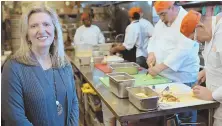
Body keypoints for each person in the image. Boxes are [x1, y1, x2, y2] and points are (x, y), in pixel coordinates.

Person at [1, 5, 79, 126]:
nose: (41, 30)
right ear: (26, 34)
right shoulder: (13, 68)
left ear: (55, 30)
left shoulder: (64, 64)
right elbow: (14, 117)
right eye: (34, 26)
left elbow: (74, 101)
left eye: (46, 24)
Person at [146, 1, 199, 124]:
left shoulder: (187, 19)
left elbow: (183, 50)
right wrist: (151, 53)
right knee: (168, 117)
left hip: (183, 78)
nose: (161, 18)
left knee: (185, 117)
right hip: (164, 78)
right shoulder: (161, 22)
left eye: (163, 14)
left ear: (172, 8)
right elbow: (153, 40)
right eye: (159, 15)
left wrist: (159, 67)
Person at [180, 10, 222, 126]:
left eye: (195, 38)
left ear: (200, 26)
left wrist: (212, 95)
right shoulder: (211, 32)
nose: (197, 41)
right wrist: (207, 70)